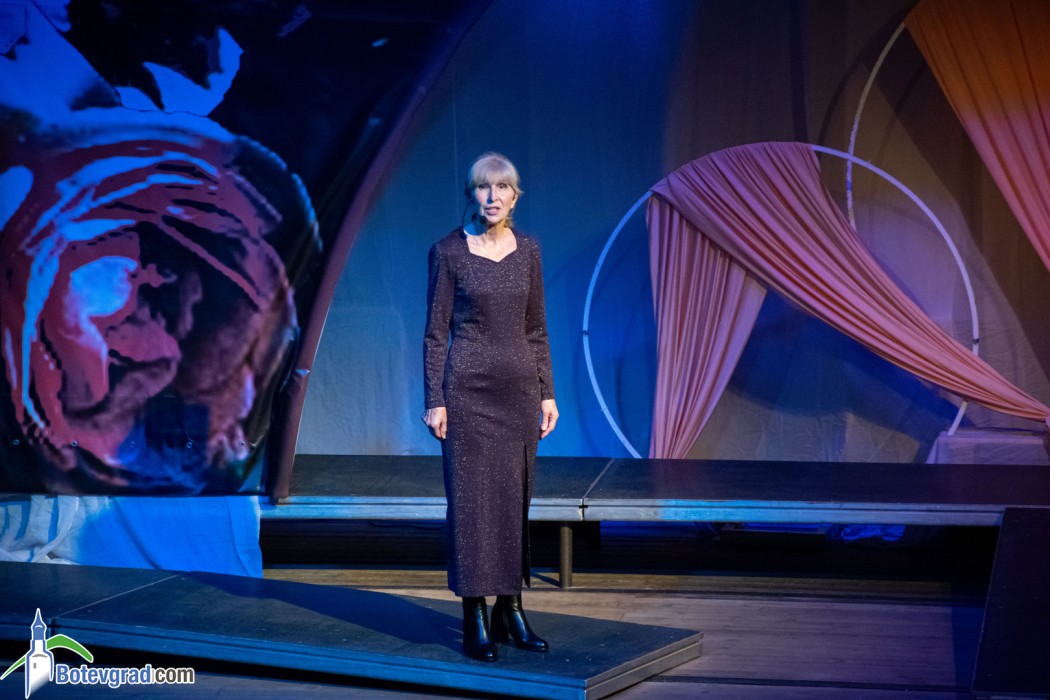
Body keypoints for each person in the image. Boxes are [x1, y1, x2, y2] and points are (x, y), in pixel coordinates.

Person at [422, 152, 558, 662]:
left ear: (515, 196)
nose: (493, 196)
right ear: (471, 194)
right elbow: (435, 334)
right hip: (467, 395)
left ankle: (511, 608)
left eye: (502, 188)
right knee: (471, 504)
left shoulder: (529, 251)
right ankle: (474, 614)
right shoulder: (448, 252)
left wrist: (547, 392)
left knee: (511, 500)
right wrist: (434, 399)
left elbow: (536, 328)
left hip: (518, 394)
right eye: (484, 187)